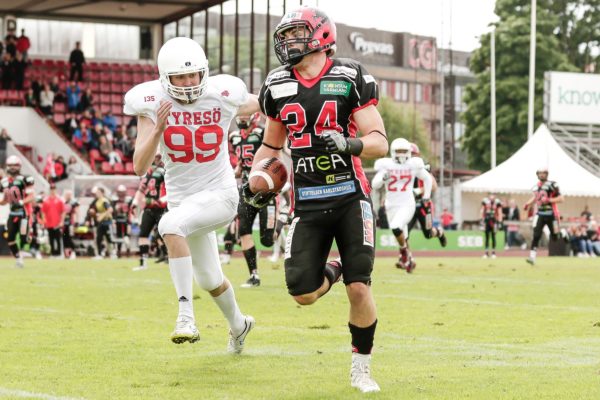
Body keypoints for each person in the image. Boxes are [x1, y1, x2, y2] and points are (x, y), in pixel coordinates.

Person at [244, 6, 387, 392]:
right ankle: (338, 266)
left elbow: (380, 141)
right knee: (303, 293)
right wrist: (256, 181)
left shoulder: (349, 74)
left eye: (296, 34)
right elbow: (271, 146)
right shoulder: (276, 85)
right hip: (306, 200)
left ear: (321, 36)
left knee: (360, 287)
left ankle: (361, 367)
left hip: (349, 195)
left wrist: (351, 142)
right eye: (286, 36)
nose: (288, 42)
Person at [124, 37, 259, 352]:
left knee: (170, 225)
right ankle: (239, 325)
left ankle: (185, 316)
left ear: (204, 73)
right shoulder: (152, 102)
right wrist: (157, 129)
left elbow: (270, 103)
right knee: (210, 279)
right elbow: (139, 167)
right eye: (179, 77)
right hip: (184, 201)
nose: (187, 83)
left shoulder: (222, 94)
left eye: (192, 75)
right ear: (164, 78)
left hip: (220, 193)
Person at [230, 112, 277, 287]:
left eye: (245, 115)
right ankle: (254, 276)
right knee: (244, 230)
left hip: (266, 190)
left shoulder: (262, 132)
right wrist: (237, 170)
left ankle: (281, 222)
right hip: (246, 189)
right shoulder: (234, 137)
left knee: (267, 240)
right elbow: (241, 161)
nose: (242, 119)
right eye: (240, 115)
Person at [372, 138, 432, 272]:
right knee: (402, 235)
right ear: (393, 152)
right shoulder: (387, 165)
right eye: (398, 151)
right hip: (391, 205)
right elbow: (374, 184)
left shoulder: (413, 165)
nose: (401, 154)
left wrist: (426, 197)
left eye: (404, 151)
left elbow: (427, 178)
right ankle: (409, 261)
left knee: (396, 227)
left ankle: (403, 253)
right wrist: (383, 178)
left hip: (407, 203)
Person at [406, 142, 447, 250]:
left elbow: (434, 186)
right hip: (409, 205)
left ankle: (439, 232)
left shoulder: (423, 168)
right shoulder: (400, 169)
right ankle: (406, 257)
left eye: (412, 154)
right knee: (404, 231)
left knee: (428, 234)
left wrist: (419, 190)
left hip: (423, 205)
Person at [133, 155, 167, 270]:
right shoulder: (148, 172)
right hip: (149, 208)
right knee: (143, 234)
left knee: (167, 235)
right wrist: (135, 202)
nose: (155, 159)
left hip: (162, 208)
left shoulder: (166, 171)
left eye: (157, 157)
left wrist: (161, 200)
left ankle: (171, 259)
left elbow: (173, 188)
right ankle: (143, 263)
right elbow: (141, 189)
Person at [524, 166, 564, 265]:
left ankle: (562, 232)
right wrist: (528, 204)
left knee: (555, 236)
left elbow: (561, 198)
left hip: (551, 214)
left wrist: (549, 200)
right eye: (540, 173)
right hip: (540, 214)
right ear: (537, 174)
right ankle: (532, 257)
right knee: (536, 235)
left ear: (547, 174)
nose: (542, 175)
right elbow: (536, 197)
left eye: (543, 173)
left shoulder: (552, 185)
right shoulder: (536, 186)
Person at [0, 155, 35, 268]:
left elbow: (32, 196)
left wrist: (21, 202)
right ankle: (19, 259)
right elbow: (5, 200)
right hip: (12, 213)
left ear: (19, 166)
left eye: (15, 165)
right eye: (11, 165)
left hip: (24, 213)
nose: (13, 168)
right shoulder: (4, 182)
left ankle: (33, 242)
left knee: (24, 236)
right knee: (10, 238)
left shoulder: (25, 179)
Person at [90, 186, 115, 259]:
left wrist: (101, 216)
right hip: (101, 223)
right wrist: (94, 213)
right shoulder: (97, 202)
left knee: (109, 238)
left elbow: (110, 210)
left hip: (107, 222)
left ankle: (113, 253)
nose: (97, 194)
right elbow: (98, 212)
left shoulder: (104, 201)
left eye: (98, 192)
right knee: (99, 238)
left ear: (102, 193)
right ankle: (100, 254)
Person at [41, 183, 65, 258]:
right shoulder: (46, 200)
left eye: (54, 189)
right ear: (49, 190)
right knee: (51, 238)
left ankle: (59, 253)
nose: (52, 191)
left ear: (56, 190)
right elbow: (43, 212)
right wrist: (44, 220)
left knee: (58, 238)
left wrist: (62, 221)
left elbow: (63, 211)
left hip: (57, 223)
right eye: (51, 189)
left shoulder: (60, 200)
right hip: (49, 223)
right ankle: (52, 253)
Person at [111, 185, 133, 258]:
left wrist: (130, 221)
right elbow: (113, 211)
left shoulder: (128, 200)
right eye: (119, 192)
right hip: (117, 221)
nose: (121, 194)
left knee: (127, 236)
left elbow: (131, 211)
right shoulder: (114, 200)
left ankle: (128, 250)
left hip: (126, 221)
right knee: (118, 236)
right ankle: (119, 251)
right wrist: (113, 220)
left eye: (122, 192)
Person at [480, 193, 503, 258]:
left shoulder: (497, 202)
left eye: (493, 195)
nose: (492, 197)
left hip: (494, 221)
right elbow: (482, 211)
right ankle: (486, 253)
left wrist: (500, 222)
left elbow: (500, 212)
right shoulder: (485, 201)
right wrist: (482, 221)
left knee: (493, 237)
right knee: (487, 237)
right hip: (487, 221)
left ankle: (493, 253)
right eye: (491, 195)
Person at [62, 189, 79, 259]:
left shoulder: (74, 203)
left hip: (70, 223)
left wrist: (76, 222)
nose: (67, 196)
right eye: (66, 194)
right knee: (64, 238)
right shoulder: (64, 203)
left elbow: (76, 212)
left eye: (69, 194)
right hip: (64, 223)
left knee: (70, 238)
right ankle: (66, 253)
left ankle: (73, 252)